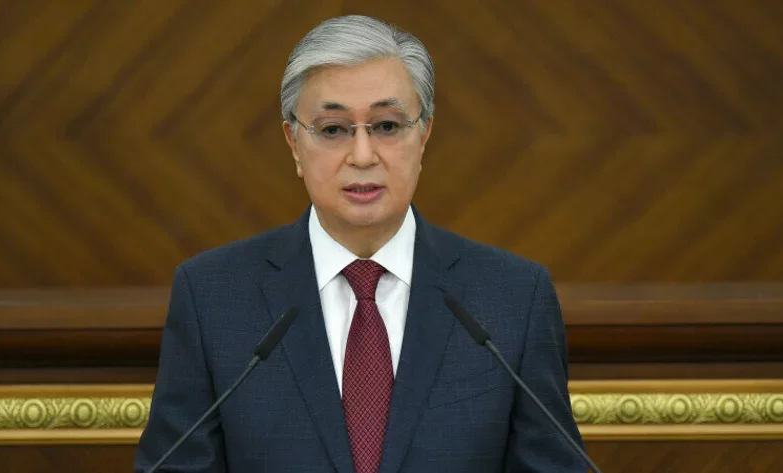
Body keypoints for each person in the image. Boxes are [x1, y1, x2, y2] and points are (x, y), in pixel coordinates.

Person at [134, 14, 586, 473]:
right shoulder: (212, 298)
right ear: (293, 142)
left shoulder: (514, 298)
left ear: (424, 135)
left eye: (387, 126)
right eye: (333, 129)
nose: (363, 156)